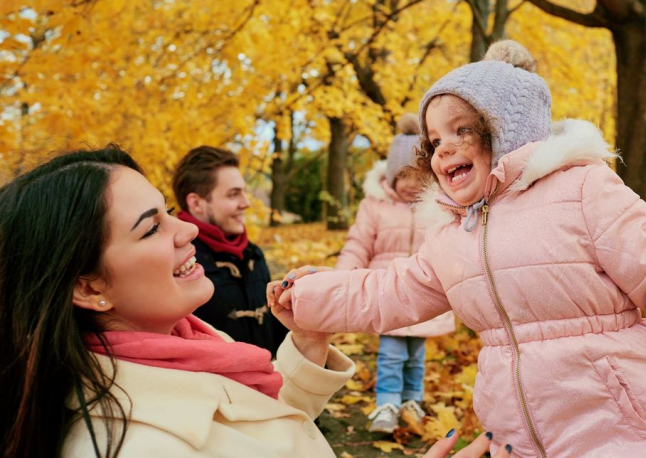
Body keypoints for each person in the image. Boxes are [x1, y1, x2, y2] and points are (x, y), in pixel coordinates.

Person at [272, 41, 646, 457]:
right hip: (518, 438)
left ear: (506, 130)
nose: (443, 148)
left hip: (621, 429)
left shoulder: (584, 192)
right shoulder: (451, 231)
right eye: (435, 138)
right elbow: (391, 291)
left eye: (461, 130)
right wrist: (314, 296)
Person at [0, 145, 508, 458]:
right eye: (152, 226)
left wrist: (308, 338)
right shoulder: (135, 445)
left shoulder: (182, 343)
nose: (184, 231)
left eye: (168, 210)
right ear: (88, 287)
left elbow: (252, 425)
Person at [336, 113, 455, 433]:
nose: (411, 185)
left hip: (424, 294)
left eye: (418, 175)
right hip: (387, 292)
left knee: (416, 356)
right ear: (390, 176)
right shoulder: (375, 205)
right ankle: (387, 403)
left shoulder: (441, 206)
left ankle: (411, 401)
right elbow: (358, 244)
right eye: (403, 176)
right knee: (391, 353)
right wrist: (343, 275)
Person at [172, 146, 288, 356]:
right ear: (197, 203)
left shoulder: (253, 254)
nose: (246, 203)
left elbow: (271, 330)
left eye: (244, 192)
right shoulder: (177, 265)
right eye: (233, 195)